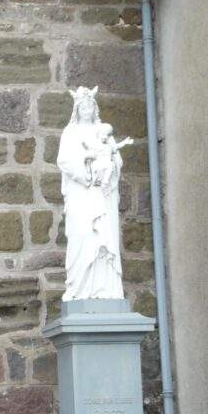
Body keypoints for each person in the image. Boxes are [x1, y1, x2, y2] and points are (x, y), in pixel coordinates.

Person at [56, 86, 132, 300]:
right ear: (77, 109)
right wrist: (86, 171)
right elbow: (64, 161)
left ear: (95, 107)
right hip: (81, 194)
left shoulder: (103, 131)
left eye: (90, 104)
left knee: (103, 239)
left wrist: (111, 165)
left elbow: (116, 158)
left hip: (102, 193)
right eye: (83, 105)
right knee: (82, 235)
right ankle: (80, 290)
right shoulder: (70, 132)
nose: (87, 108)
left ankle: (106, 291)